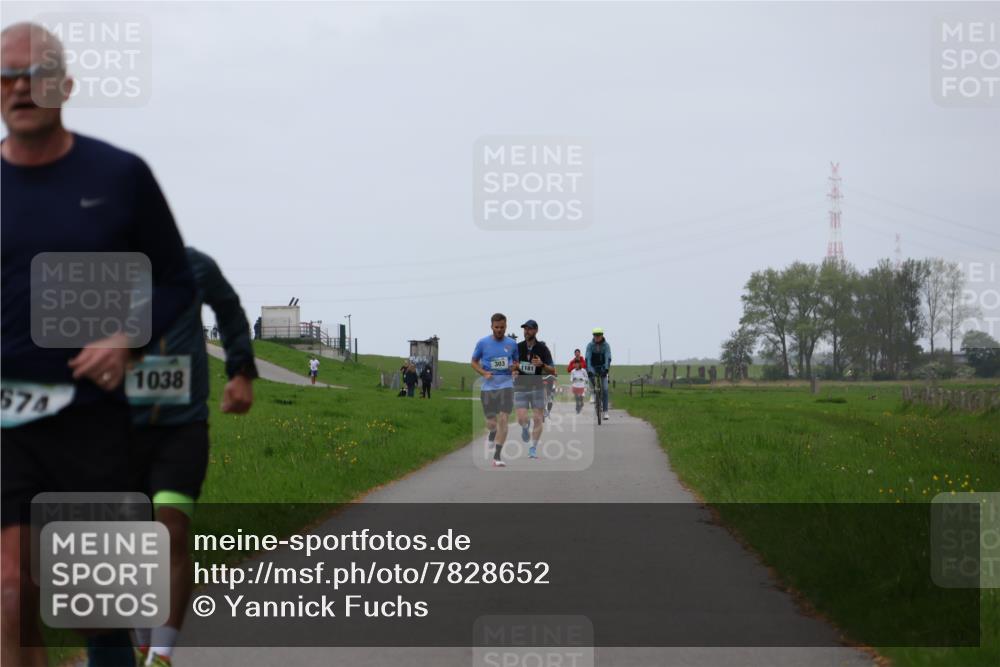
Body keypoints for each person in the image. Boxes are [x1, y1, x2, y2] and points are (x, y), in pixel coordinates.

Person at [1, 22, 195, 667]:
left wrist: (126, 337)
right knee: (11, 593)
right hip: (7, 421)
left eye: (36, 73)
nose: (20, 86)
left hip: (93, 421)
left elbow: (174, 281)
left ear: (67, 85)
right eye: (7, 75)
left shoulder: (119, 175)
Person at [129, 247, 257, 667]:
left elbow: (230, 310)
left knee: (172, 532)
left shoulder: (194, 264)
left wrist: (240, 372)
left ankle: (161, 656)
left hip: (180, 426)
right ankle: (142, 643)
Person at [471, 313, 518, 467]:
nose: (499, 330)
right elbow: (473, 362)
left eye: (502, 327)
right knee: (491, 423)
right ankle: (492, 433)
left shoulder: (512, 343)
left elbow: (516, 362)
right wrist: (484, 373)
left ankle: (497, 456)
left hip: (506, 386)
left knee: (503, 419)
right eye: (496, 327)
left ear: (506, 327)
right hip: (488, 387)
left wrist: (514, 368)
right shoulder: (482, 343)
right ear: (491, 326)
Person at [513, 319, 555, 459]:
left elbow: (553, 369)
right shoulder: (518, 347)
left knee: (538, 419)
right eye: (525, 329)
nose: (526, 331)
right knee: (521, 418)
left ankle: (533, 448)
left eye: (529, 329)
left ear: (536, 331)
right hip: (520, 387)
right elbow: (511, 364)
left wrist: (542, 365)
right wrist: (514, 369)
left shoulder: (542, 349)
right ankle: (525, 427)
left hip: (537, 387)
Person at [586, 328, 613, 420]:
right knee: (590, 375)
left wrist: (606, 369)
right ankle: (593, 393)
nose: (597, 337)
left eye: (599, 335)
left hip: (602, 367)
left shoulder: (606, 346)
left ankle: (605, 412)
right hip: (593, 367)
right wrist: (589, 370)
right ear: (593, 336)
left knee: (605, 389)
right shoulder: (590, 345)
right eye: (595, 335)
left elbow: (607, 357)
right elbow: (588, 358)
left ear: (602, 335)